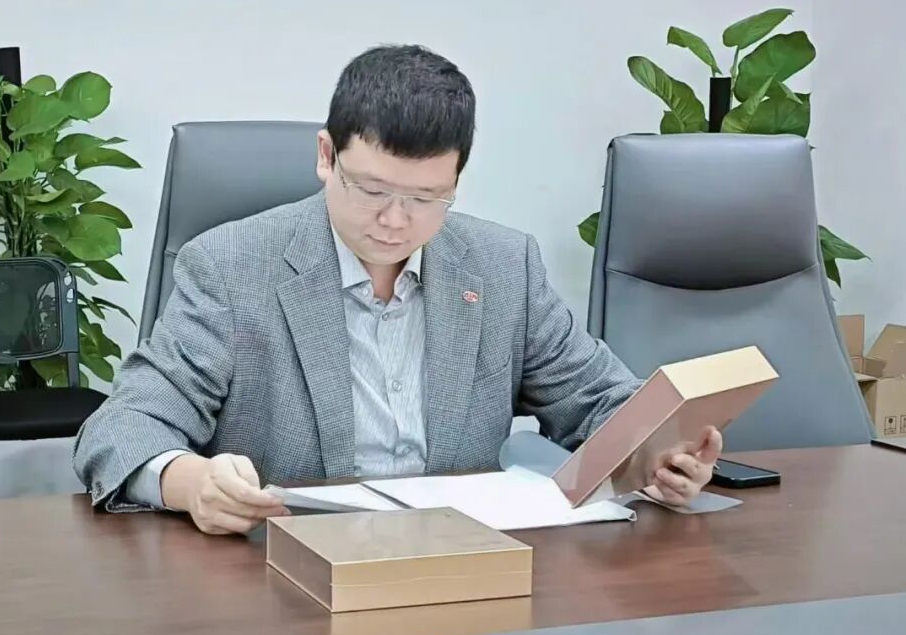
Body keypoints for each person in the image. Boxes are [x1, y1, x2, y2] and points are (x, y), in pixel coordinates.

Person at [72, 44, 723, 535]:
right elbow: (123, 427)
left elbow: (602, 401)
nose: (394, 220)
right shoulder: (229, 267)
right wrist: (192, 483)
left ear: (457, 179)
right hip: (288, 570)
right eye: (372, 189)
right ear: (326, 156)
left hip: (460, 566)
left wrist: (657, 455)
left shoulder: (503, 266)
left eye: (425, 197)